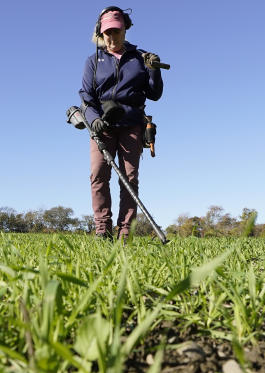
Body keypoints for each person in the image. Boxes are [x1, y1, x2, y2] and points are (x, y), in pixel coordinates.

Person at [79, 6, 163, 242]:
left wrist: (154, 71)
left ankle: (126, 231)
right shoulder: (93, 61)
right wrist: (94, 119)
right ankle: (102, 229)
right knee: (98, 175)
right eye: (108, 33)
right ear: (100, 33)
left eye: (116, 31)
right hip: (102, 126)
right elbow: (86, 95)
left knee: (129, 178)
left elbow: (154, 94)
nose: (112, 37)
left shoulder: (140, 57)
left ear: (125, 29)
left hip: (131, 124)